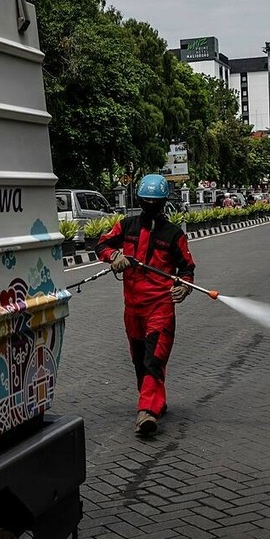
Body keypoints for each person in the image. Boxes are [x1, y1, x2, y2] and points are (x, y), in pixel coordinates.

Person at [96, 174, 196, 436]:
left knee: (154, 359)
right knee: (139, 360)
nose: (150, 205)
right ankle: (155, 402)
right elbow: (101, 244)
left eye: (155, 202)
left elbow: (187, 268)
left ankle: (147, 412)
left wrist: (184, 286)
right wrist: (113, 256)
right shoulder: (126, 226)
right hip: (132, 308)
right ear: (140, 200)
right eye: (146, 201)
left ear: (162, 203)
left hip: (160, 307)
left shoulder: (174, 235)